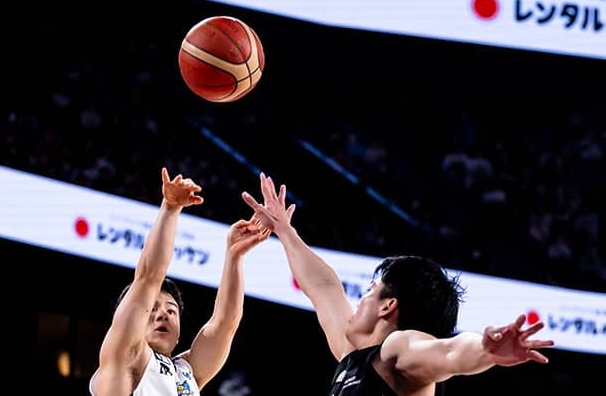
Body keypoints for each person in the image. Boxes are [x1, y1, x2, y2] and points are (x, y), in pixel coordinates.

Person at [241, 172, 555, 396]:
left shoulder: (399, 349)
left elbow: (448, 352)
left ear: (388, 306)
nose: (359, 300)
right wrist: (285, 231)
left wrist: (486, 351)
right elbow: (324, 288)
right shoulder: (355, 354)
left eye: (370, 291)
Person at [90, 167, 271, 396]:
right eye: (152, 309)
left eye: (171, 310)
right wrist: (170, 209)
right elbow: (148, 278)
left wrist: (235, 256)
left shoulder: (187, 372)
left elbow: (225, 323)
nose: (163, 315)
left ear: (178, 336)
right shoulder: (125, 357)